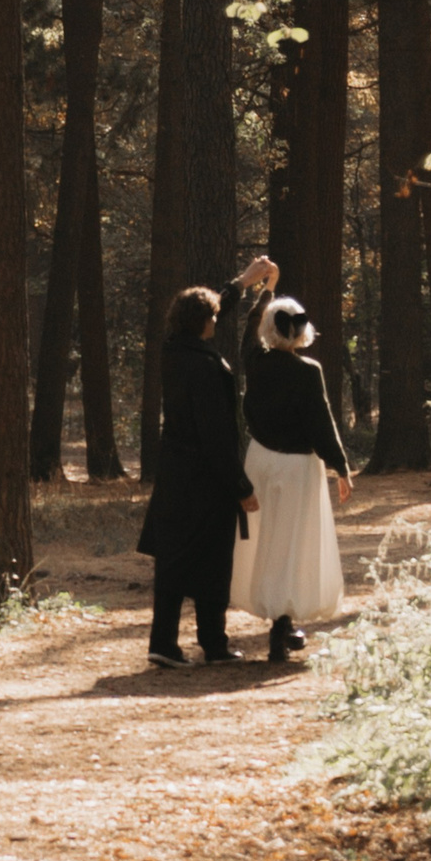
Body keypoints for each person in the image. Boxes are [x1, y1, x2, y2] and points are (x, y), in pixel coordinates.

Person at [138, 255, 278, 668]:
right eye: (212, 318)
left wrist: (243, 282)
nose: (217, 321)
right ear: (202, 323)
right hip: (206, 479)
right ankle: (214, 644)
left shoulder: (173, 351)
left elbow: (213, 306)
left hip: (174, 475)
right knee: (214, 561)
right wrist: (240, 487)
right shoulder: (205, 368)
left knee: (173, 562)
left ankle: (163, 643)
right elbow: (217, 436)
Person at [231, 296, 353, 661]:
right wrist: (341, 467)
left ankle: (278, 619)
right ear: (301, 331)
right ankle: (282, 624)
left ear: (269, 328)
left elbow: (247, 340)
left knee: (264, 538)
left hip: (260, 459)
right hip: (297, 465)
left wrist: (264, 292)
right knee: (291, 541)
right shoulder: (308, 371)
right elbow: (321, 423)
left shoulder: (256, 364)